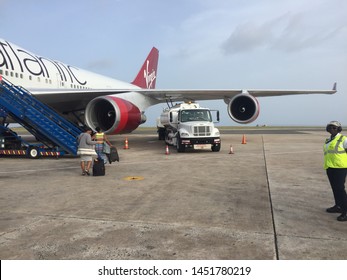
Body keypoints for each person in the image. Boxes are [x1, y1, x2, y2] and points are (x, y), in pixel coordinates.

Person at [324, 121, 347, 221]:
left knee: (340, 190)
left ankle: (345, 211)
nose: (332, 129)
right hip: (330, 167)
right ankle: (338, 206)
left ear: (339, 129)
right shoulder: (328, 140)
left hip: (340, 168)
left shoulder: (343, 139)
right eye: (330, 127)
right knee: (335, 188)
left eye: (334, 127)